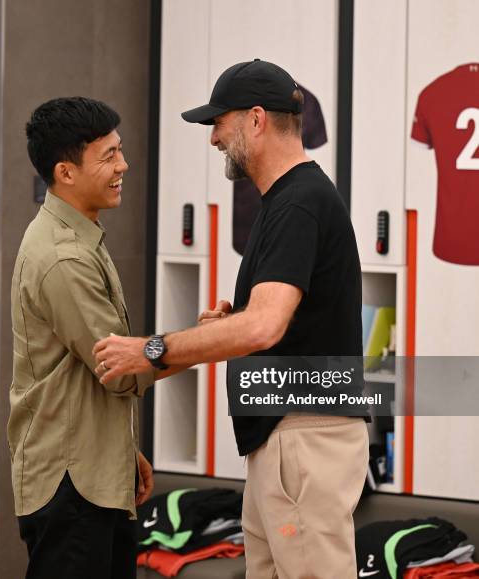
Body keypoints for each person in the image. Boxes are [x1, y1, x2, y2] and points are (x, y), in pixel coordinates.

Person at [93, 60, 370, 578]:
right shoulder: (285, 202)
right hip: (284, 441)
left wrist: (151, 349)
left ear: (257, 120)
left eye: (219, 121)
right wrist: (226, 324)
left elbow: (265, 326)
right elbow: (271, 322)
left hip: (303, 440)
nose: (214, 137)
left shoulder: (299, 204)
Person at [7, 96, 157, 579]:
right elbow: (119, 370)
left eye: (121, 150)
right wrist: (206, 344)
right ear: (65, 172)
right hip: (72, 491)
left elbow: (80, 373)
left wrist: (120, 448)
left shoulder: (80, 234)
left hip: (92, 476)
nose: (124, 165)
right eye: (109, 156)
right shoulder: (63, 257)